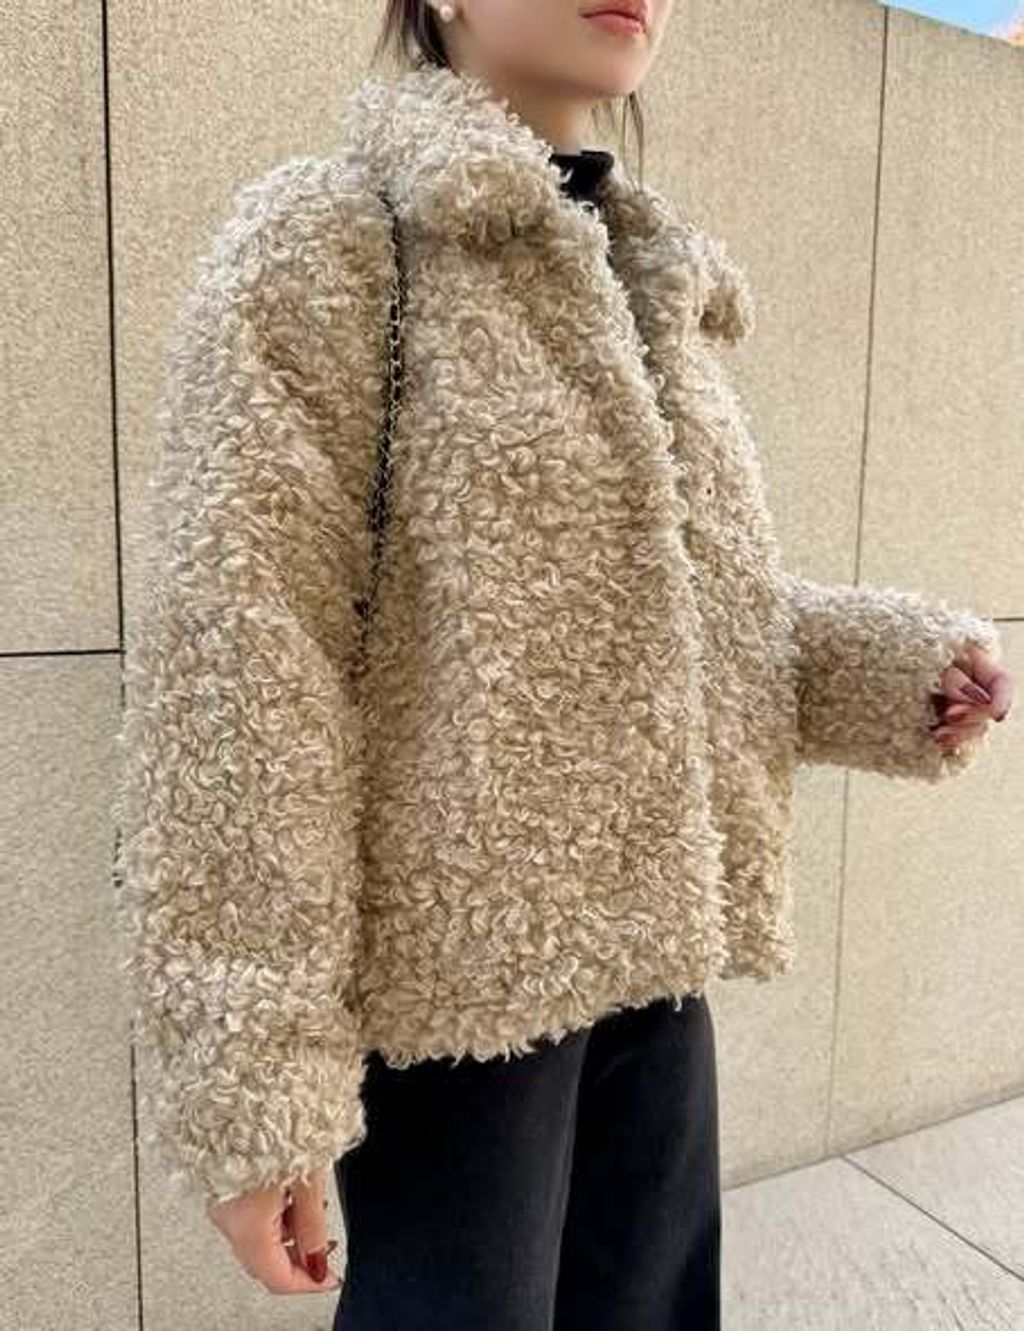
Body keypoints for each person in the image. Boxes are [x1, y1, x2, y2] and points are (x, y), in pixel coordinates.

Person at [111, 1, 1013, 1327]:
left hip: (658, 968)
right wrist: (256, 1079)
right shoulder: (331, 240)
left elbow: (695, 627)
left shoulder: (648, 277)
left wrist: (901, 673)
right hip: (463, 1000)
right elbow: (239, 676)